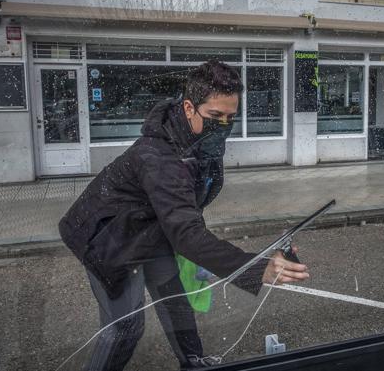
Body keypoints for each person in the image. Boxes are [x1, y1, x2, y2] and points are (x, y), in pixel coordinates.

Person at [59, 60, 310, 371]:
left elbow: (187, 211)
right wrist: (255, 268)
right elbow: (185, 234)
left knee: (175, 301)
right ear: (189, 107)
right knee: (125, 327)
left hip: (149, 231)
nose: (224, 125)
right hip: (107, 237)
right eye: (215, 116)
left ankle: (193, 363)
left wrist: (204, 255)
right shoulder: (158, 157)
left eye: (231, 117)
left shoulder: (201, 144)